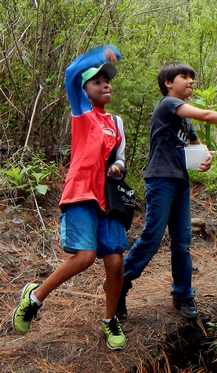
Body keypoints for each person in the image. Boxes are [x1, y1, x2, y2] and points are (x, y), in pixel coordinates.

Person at [116, 63, 217, 321]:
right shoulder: (168, 105)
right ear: (169, 83)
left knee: (182, 241)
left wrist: (205, 158)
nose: (190, 81)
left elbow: (195, 143)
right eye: (184, 77)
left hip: (180, 181)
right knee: (152, 237)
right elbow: (207, 115)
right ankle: (118, 286)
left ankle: (183, 294)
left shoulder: (183, 118)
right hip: (160, 179)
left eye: (193, 78)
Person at [12, 46, 128, 350]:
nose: (105, 84)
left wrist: (117, 166)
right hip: (80, 193)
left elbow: (121, 158)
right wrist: (101, 55)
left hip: (107, 199)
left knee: (115, 263)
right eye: (97, 81)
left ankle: (109, 320)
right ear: (85, 91)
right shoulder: (82, 113)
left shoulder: (116, 123)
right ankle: (34, 298)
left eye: (107, 80)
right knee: (85, 257)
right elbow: (70, 74)